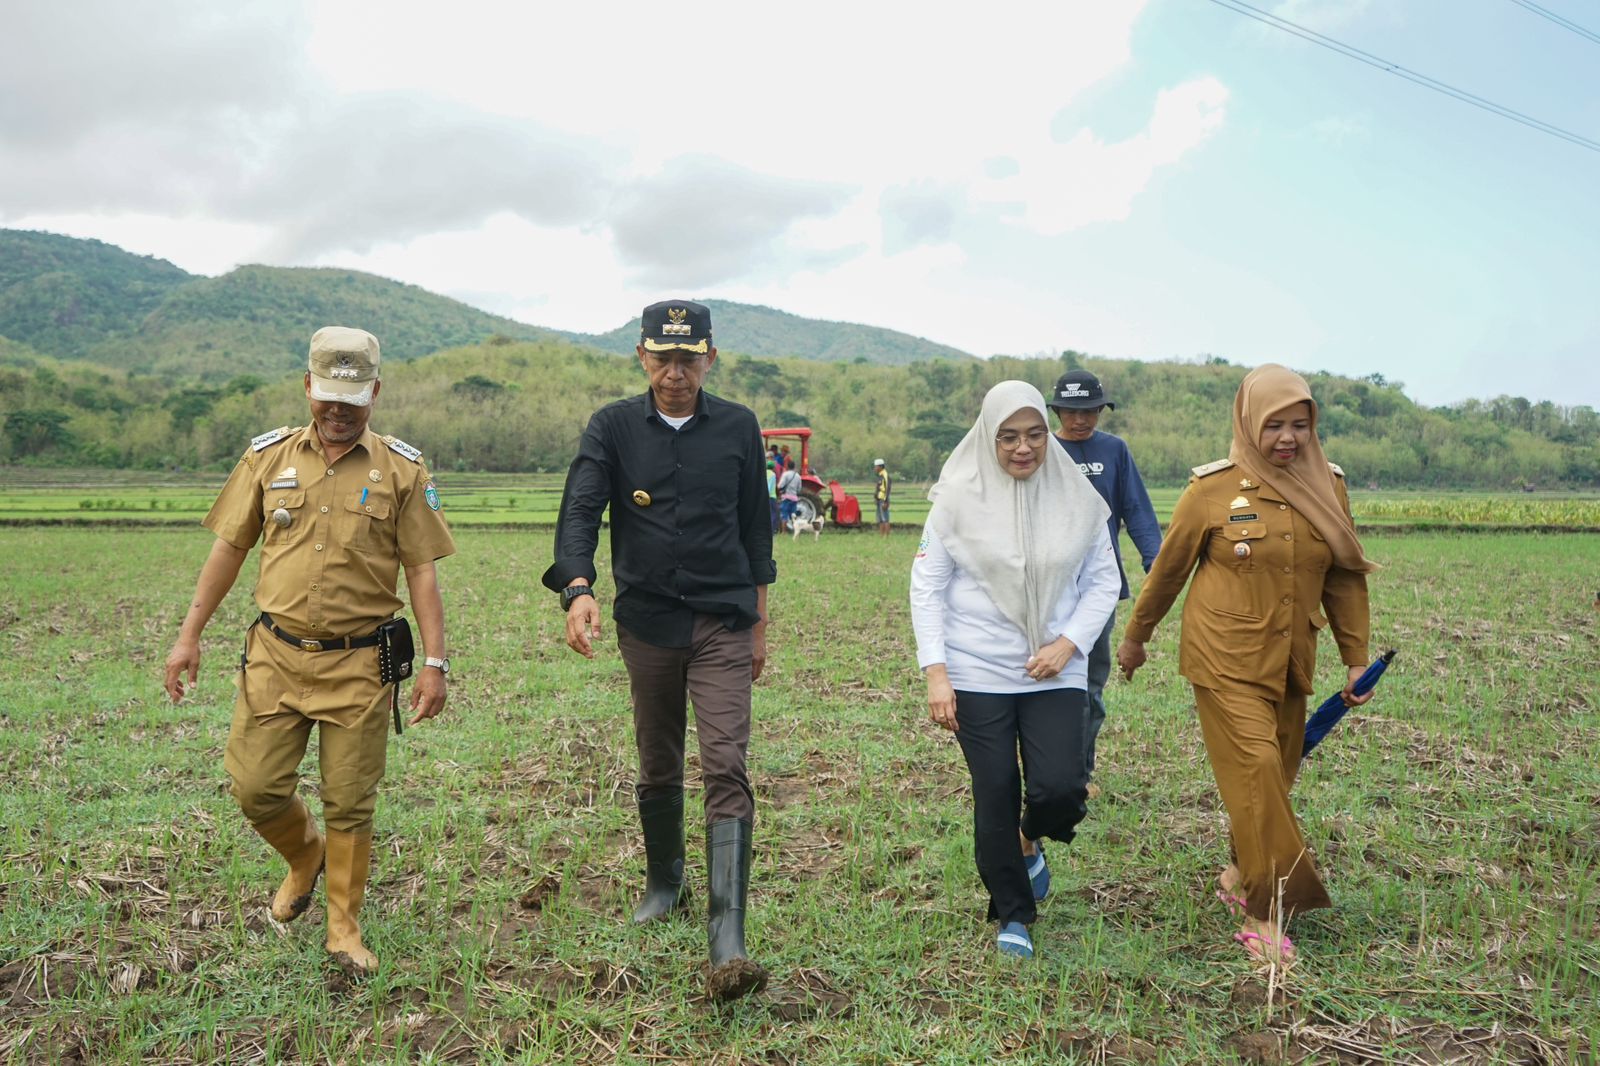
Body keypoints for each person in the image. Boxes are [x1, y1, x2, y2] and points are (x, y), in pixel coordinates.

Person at [163, 326, 455, 977]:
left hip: (358, 666)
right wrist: (189, 635)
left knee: (351, 801)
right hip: (276, 657)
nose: (338, 411)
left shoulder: (402, 470)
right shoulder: (267, 458)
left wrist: (435, 663)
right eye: (327, 396)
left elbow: (423, 573)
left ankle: (343, 930)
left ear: (375, 392)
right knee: (256, 787)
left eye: (352, 399)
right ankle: (304, 856)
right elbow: (229, 549)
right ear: (306, 387)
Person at [542, 299, 776, 1002]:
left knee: (727, 761)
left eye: (689, 358)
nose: (676, 372)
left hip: (724, 620)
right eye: (663, 358)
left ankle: (727, 934)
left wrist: (761, 620)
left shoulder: (737, 426)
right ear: (642, 357)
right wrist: (577, 586)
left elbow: (756, 529)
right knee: (658, 759)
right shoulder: (613, 427)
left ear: (711, 358)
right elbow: (582, 507)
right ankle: (664, 882)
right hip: (647, 620)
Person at [1116, 364, 1376, 965]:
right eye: (1275, 425)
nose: (1289, 437)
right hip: (1224, 657)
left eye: (1300, 425)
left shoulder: (1328, 486)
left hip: (1291, 658)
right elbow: (1169, 572)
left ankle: (1240, 865)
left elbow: (1342, 576)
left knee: (1275, 775)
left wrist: (1356, 659)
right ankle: (1267, 909)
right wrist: (1136, 638)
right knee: (1259, 769)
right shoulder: (1211, 490)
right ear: (1247, 422)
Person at [910, 381, 1119, 959]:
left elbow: (1104, 579)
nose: (1022, 448)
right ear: (988, 437)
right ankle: (1013, 914)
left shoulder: (1077, 500)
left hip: (1054, 669)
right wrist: (937, 672)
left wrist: (1070, 644)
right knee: (995, 789)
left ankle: (1030, 844)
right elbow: (926, 586)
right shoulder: (955, 501)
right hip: (977, 671)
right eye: (1008, 437)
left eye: (1033, 435)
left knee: (1060, 789)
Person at [1046, 370, 1163, 783]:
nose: (1081, 420)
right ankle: (1043, 768)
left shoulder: (1114, 451)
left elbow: (1138, 513)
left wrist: (1159, 569)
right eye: (1072, 412)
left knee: (1089, 688)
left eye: (1091, 411)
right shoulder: (1040, 450)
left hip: (1098, 590)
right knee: (1041, 684)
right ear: (1057, 410)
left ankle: (1079, 771)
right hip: (1046, 591)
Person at [776, 462, 801, 533]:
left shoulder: (785, 474)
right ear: (794, 467)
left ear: (787, 466)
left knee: (784, 514)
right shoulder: (798, 476)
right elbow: (799, 488)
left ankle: (784, 532)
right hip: (794, 498)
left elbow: (780, 485)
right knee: (793, 515)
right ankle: (795, 531)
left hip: (786, 497)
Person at [873, 458, 892, 536]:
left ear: (880, 467)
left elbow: (887, 490)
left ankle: (886, 537)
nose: (875, 468)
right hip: (879, 500)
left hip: (883, 501)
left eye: (876, 466)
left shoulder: (885, 476)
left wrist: (885, 501)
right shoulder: (881, 476)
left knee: (885, 519)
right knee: (881, 520)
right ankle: (881, 536)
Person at [766, 458, 780, 534]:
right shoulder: (772, 474)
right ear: (773, 467)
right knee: (774, 513)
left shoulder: (763, 472)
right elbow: (770, 485)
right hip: (771, 496)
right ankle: (772, 530)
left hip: (764, 497)